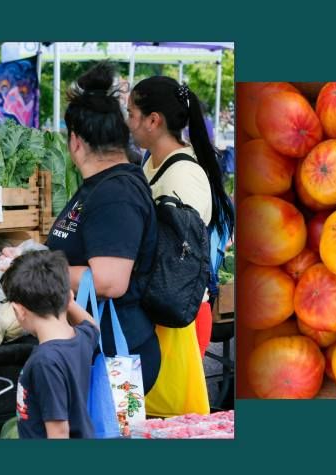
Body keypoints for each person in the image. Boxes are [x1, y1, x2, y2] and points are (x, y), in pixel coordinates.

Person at [8, 61, 161, 393]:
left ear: (75, 141)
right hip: (91, 347)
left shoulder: (117, 193)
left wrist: (34, 265)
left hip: (115, 353)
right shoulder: (100, 185)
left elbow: (109, 281)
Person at [126, 76, 235, 356]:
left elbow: (179, 262)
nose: (128, 122)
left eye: (131, 114)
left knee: (175, 402)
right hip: (156, 311)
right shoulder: (152, 161)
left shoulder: (184, 177)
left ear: (153, 120)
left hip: (178, 318)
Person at [1, 250, 99, 439]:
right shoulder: (82, 337)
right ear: (70, 297)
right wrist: (65, 299)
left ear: (18, 310)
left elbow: (58, 432)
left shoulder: (45, 362)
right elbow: (92, 325)